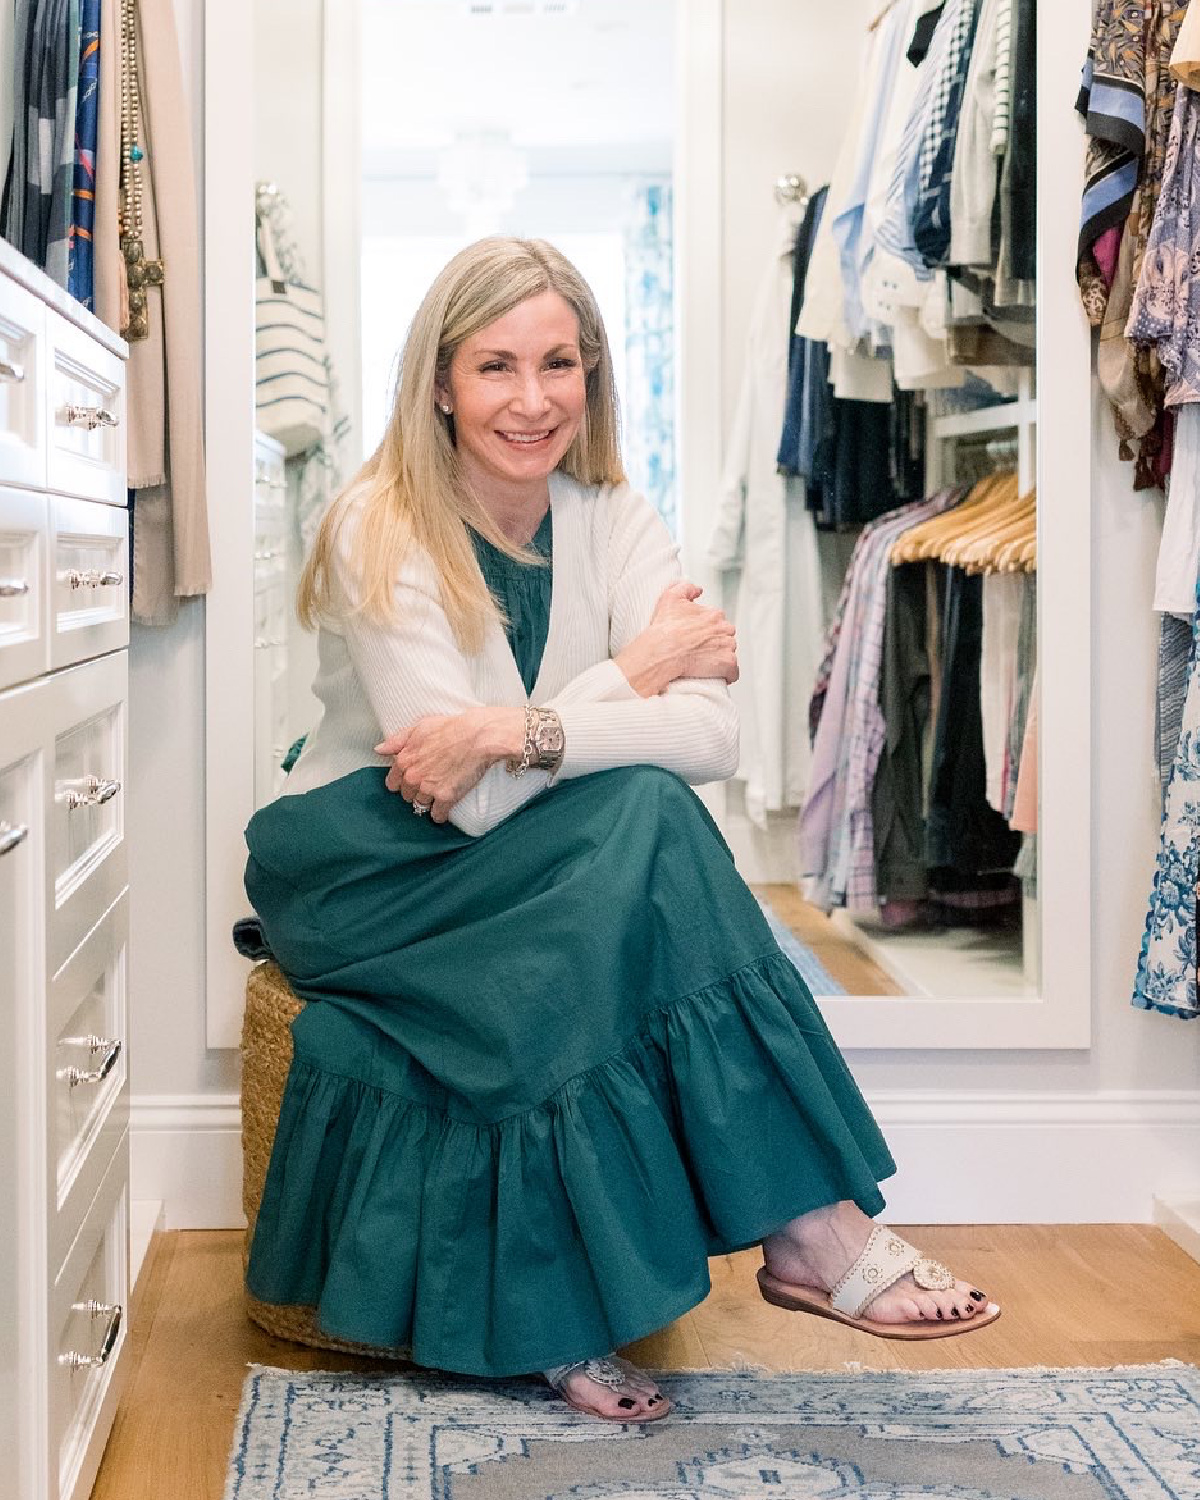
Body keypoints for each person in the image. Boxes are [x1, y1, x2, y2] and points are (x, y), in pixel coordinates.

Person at [241, 236, 1000, 1425]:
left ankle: (611, 1293)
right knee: (639, 810)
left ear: (591, 373)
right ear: (439, 382)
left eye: (559, 364)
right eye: (495, 366)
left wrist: (514, 729)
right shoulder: (376, 526)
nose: (532, 400)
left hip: (530, 848)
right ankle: (815, 1234)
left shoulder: (613, 514)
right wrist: (638, 669)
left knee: (646, 814)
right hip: (378, 866)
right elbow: (467, 799)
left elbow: (712, 738)